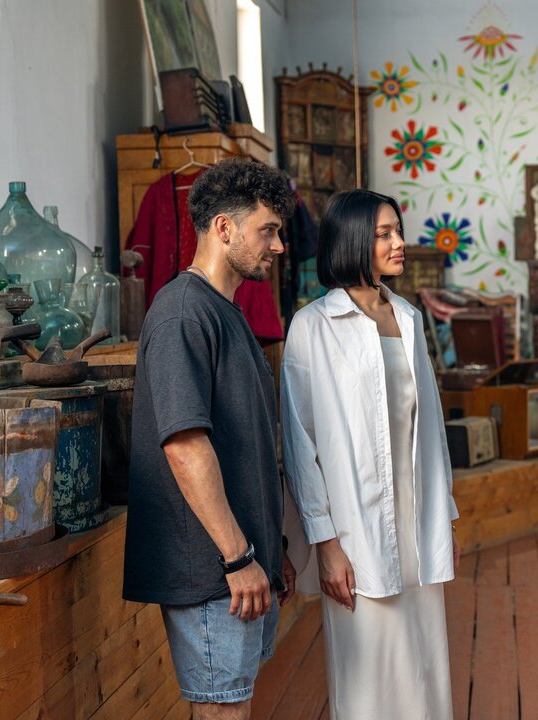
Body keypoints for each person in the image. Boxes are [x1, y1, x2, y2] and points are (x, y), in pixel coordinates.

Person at [123, 157, 297, 719]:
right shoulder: (181, 313)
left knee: (234, 706)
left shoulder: (226, 312)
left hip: (243, 563)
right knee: (223, 711)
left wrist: (272, 549)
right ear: (224, 227)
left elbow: (246, 443)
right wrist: (238, 556)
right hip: (213, 570)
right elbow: (184, 446)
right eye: (268, 231)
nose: (278, 246)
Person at [281, 189, 460, 720]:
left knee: (425, 665)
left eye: (397, 231)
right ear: (353, 239)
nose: (400, 242)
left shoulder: (409, 317)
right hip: (354, 527)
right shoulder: (313, 326)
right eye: (384, 234)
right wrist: (326, 544)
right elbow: (300, 443)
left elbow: (430, 426)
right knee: (368, 675)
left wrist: (446, 514)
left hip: (417, 521)